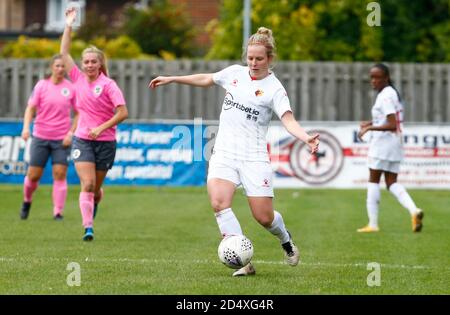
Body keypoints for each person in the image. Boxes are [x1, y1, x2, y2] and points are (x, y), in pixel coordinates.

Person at [149, 27, 320, 276]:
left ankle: (285, 239)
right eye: (250, 58)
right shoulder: (234, 74)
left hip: (253, 157)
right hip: (224, 153)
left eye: (259, 58)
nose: (253, 63)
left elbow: (288, 119)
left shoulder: (275, 89)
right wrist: (174, 78)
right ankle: (245, 262)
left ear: (270, 59)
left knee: (263, 217)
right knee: (219, 203)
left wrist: (306, 138)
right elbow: (207, 78)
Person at [60, 7, 128, 241]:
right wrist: (69, 24)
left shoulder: (108, 85)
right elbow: (64, 52)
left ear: (100, 65)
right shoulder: (77, 78)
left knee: (96, 191)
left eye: (93, 62)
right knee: (87, 184)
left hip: (106, 142)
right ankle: (88, 227)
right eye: (86, 62)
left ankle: (95, 202)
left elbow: (123, 112)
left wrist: (102, 127)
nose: (89, 65)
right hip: (82, 140)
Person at [357, 63, 424, 233]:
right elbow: (389, 120)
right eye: (371, 77)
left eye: (377, 77)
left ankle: (372, 224)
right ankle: (414, 210)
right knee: (391, 182)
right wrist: (371, 122)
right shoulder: (391, 93)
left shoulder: (385, 95)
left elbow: (392, 123)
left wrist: (369, 128)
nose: (373, 81)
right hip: (395, 143)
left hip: (383, 144)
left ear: (386, 78)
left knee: (373, 179)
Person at [20, 54, 78, 221]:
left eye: (63, 66)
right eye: (57, 66)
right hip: (40, 137)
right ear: (51, 67)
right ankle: (27, 201)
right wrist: (26, 128)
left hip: (62, 139)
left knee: (60, 174)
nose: (60, 69)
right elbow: (30, 109)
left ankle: (58, 212)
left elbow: (79, 113)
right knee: (33, 176)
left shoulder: (71, 88)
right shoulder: (41, 86)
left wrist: (70, 133)